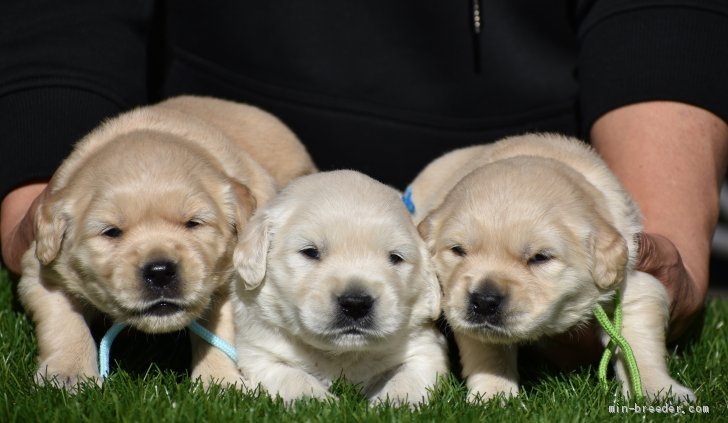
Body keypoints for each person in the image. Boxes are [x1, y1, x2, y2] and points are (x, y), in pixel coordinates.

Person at [2, 1, 727, 347]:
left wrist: (654, 236)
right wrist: (42, 198)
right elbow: (65, 17)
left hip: (511, 181)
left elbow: (659, 16)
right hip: (214, 140)